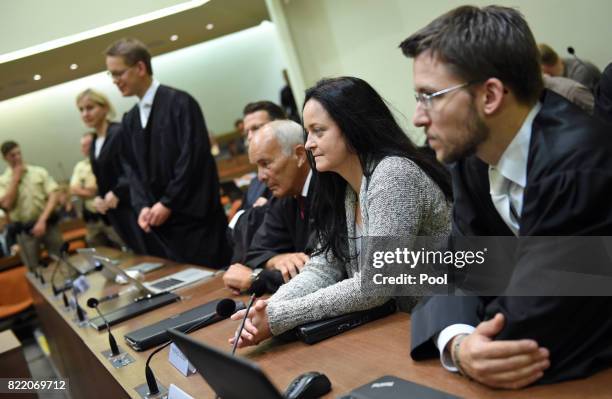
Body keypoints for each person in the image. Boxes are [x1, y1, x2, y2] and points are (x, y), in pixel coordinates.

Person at [400, 5, 612, 389]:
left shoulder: (578, 164)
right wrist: (458, 342)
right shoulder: (472, 158)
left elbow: (532, 330)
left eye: (430, 96)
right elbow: (456, 269)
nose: (418, 117)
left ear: (491, 96)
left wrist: (466, 343)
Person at [229, 76, 452, 348]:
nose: (309, 143)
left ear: (353, 127)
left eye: (318, 131)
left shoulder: (393, 174)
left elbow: (375, 285)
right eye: (307, 132)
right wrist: (266, 308)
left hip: (445, 326)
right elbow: (322, 268)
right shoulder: (344, 188)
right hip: (398, 327)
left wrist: (279, 316)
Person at [105, 38, 230, 267]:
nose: (114, 81)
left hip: (197, 224)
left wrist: (168, 203)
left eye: (118, 73)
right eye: (110, 75)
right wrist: (142, 206)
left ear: (140, 68)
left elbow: (192, 160)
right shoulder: (130, 119)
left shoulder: (180, 103)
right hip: (161, 228)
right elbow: (132, 170)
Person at [223, 120, 314, 295]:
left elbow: (318, 271)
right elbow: (255, 252)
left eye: (266, 163)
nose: (260, 177)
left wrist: (256, 279)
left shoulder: (327, 190)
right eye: (257, 166)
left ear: (300, 155)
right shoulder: (284, 196)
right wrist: (276, 259)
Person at [76, 88, 145, 253]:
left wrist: (118, 191)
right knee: (134, 253)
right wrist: (99, 197)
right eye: (81, 110)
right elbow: (102, 177)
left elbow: (134, 168)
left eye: (90, 108)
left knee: (148, 251)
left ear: (105, 108)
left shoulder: (119, 131)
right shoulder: (93, 142)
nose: (85, 114)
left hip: (133, 203)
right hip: (114, 210)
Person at [0, 141, 62, 271]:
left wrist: (42, 220)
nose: (18, 157)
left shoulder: (38, 172)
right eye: (13, 155)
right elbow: (6, 204)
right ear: (5, 158)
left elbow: (54, 195)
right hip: (25, 231)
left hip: (47, 224)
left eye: (19, 153)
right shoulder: (3, 181)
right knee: (34, 269)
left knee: (61, 260)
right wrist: (15, 179)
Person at [69, 132, 125, 248]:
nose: (83, 149)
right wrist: (94, 192)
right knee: (97, 249)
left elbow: (103, 186)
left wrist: (88, 189)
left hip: (110, 214)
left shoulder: (106, 162)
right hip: (92, 218)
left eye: (86, 145)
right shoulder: (80, 166)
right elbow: (73, 189)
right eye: (82, 146)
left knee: (123, 245)